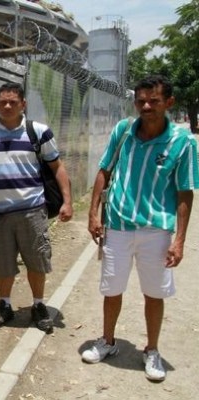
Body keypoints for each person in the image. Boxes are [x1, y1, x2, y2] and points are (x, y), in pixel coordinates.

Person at [82, 75, 199, 381]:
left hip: (156, 231)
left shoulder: (182, 142)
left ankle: (152, 350)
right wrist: (93, 214)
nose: (146, 106)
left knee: (153, 293)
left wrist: (180, 240)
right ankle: (107, 341)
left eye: (154, 101)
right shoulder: (123, 131)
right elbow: (104, 170)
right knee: (112, 289)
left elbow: (186, 191)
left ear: (168, 103)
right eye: (141, 101)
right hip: (117, 227)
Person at [0, 82, 73, 332]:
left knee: (37, 261)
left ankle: (38, 305)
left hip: (32, 210)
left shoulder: (38, 132)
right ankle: (4, 305)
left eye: (12, 102)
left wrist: (67, 201)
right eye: (2, 101)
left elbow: (57, 167)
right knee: (3, 264)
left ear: (23, 104)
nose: (7, 106)